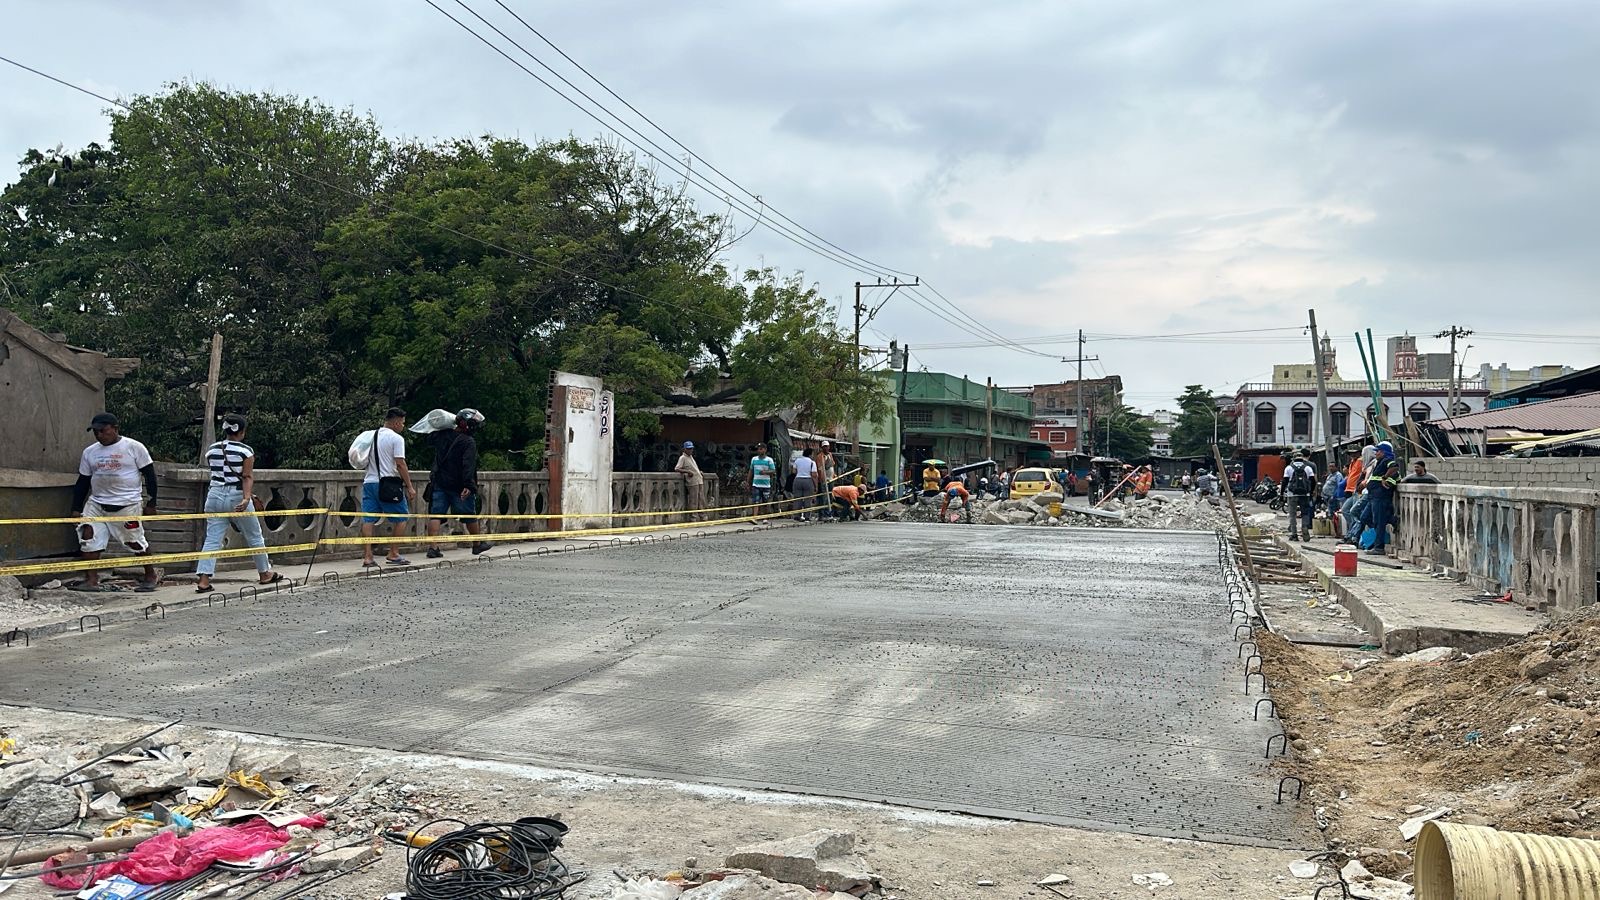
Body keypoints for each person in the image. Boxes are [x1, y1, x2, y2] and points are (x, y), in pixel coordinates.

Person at [71, 413, 160, 592]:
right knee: (88, 537)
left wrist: (152, 503)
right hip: (96, 504)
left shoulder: (134, 447)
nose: (99, 435)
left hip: (127, 504)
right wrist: (75, 508)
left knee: (134, 541)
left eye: (103, 431)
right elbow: (83, 481)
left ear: (115, 429)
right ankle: (91, 580)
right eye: (96, 432)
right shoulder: (90, 452)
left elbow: (150, 475)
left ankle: (150, 575)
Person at [194, 415, 282, 592]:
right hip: (236, 495)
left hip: (214, 495)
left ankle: (203, 580)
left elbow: (217, 473)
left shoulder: (211, 450)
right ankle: (265, 574)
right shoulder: (246, 451)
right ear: (242, 432)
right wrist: (246, 498)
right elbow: (247, 476)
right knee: (254, 535)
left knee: (212, 539)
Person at [424, 409, 489, 558]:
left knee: (435, 515)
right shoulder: (468, 442)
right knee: (469, 515)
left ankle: (433, 548)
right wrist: (469, 485)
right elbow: (468, 465)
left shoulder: (442, 435)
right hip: (459, 486)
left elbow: (429, 438)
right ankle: (477, 544)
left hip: (440, 483)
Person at [360, 406, 418, 568]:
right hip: (388, 484)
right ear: (396, 422)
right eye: (403, 423)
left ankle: (368, 556)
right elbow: (400, 464)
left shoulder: (371, 436)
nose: (403, 426)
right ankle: (393, 552)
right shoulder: (396, 439)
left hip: (369, 482)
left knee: (368, 519)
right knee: (401, 518)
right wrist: (410, 486)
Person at [1365, 441, 1400, 554]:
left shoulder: (1387, 460)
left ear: (1384, 452)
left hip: (1380, 496)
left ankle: (1379, 547)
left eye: (1378, 451)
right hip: (1373, 496)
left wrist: (1384, 477)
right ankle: (1391, 519)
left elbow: (1394, 467)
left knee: (1379, 521)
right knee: (1365, 517)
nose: (1376, 453)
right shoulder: (1379, 462)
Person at [1282, 450, 1318, 542]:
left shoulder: (1289, 468)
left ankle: (1294, 534)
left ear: (1294, 459)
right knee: (1305, 513)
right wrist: (1311, 491)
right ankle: (1304, 527)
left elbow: (1285, 481)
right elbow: (1313, 481)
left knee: (1292, 514)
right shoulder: (1308, 468)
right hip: (1305, 494)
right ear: (1302, 459)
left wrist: (1282, 493)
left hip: (1292, 494)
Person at [675, 441, 705, 522]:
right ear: (684, 449)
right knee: (693, 500)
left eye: (691, 449)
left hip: (698, 480)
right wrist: (687, 472)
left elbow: (694, 468)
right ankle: (693, 516)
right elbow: (677, 468)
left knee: (701, 499)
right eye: (689, 449)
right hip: (692, 482)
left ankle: (702, 515)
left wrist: (699, 471)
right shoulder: (682, 458)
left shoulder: (691, 457)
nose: (690, 450)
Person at [791, 447, 819, 520]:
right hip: (808, 480)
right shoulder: (812, 462)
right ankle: (807, 516)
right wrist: (816, 486)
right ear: (810, 454)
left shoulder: (797, 460)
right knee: (807, 499)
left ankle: (797, 516)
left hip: (797, 480)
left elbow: (793, 471)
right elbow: (814, 475)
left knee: (797, 499)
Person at [750, 444, 778, 508]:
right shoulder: (754, 459)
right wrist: (748, 481)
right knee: (756, 503)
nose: (759, 451)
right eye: (758, 449)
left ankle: (764, 517)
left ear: (765, 450)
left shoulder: (769, 460)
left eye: (761, 449)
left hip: (766, 485)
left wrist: (765, 472)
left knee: (765, 503)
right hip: (756, 484)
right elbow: (751, 471)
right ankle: (755, 517)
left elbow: (773, 471)